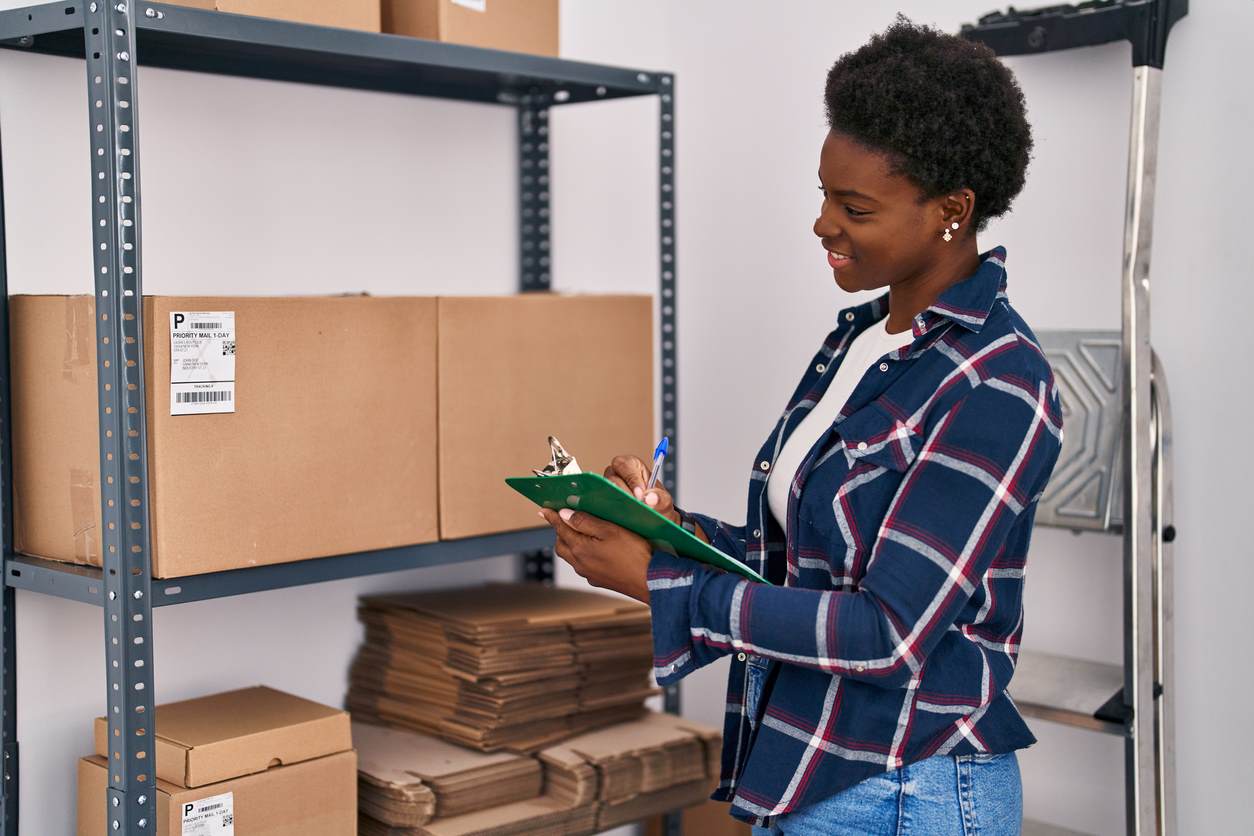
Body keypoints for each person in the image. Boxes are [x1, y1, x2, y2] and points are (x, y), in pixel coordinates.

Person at [538, 15, 1063, 835]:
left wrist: (660, 582)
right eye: (823, 193)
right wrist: (668, 531)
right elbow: (807, 565)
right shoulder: (859, 342)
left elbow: (888, 635)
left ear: (951, 211)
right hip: (813, 767)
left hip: (906, 790)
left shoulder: (1000, 380)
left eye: (853, 205)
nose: (823, 222)